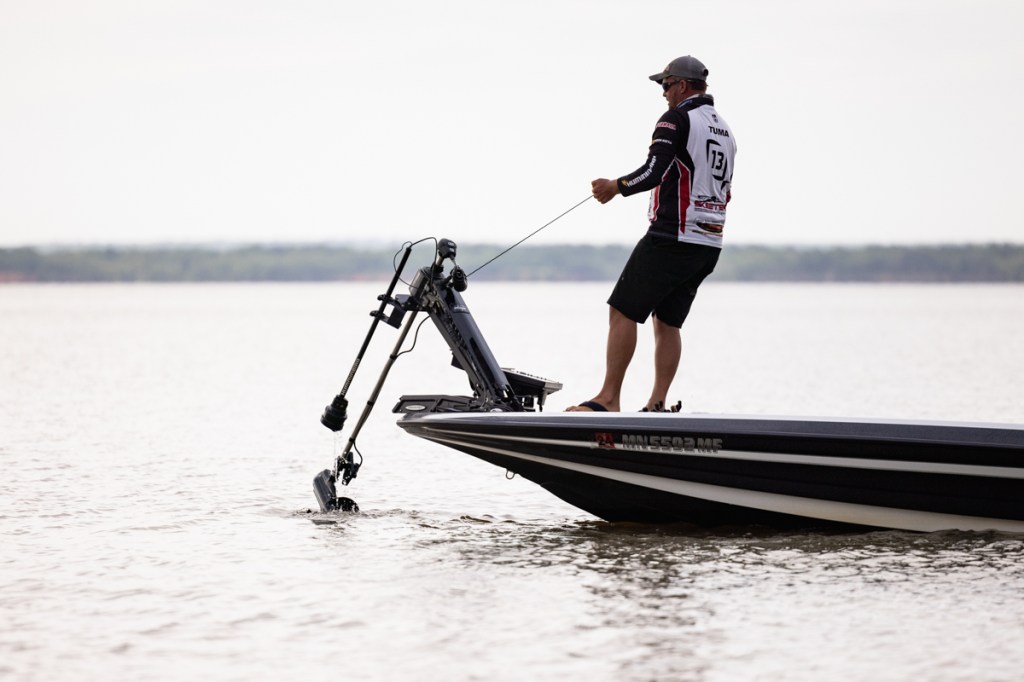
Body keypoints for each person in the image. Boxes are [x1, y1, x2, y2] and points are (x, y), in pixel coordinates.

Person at [567, 55, 736, 413]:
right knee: (667, 321)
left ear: (682, 85)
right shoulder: (725, 130)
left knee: (622, 310)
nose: (663, 93)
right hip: (709, 243)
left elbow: (654, 172)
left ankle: (608, 399)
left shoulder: (676, 119)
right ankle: (657, 403)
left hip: (672, 236)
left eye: (666, 85)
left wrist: (615, 186)